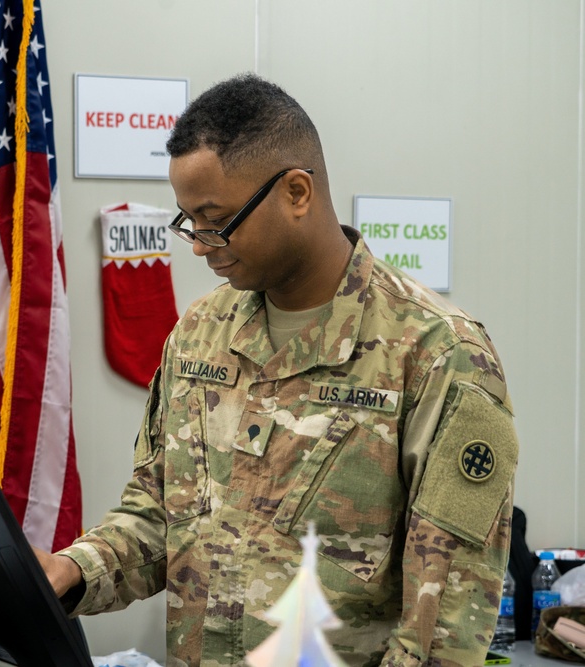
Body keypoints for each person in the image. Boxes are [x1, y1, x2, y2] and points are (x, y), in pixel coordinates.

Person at [35, 72, 519, 667]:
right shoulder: (199, 334)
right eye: (188, 221)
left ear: (296, 192)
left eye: (216, 219)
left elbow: (443, 628)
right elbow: (159, 514)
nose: (200, 243)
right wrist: (71, 570)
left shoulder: (438, 354)